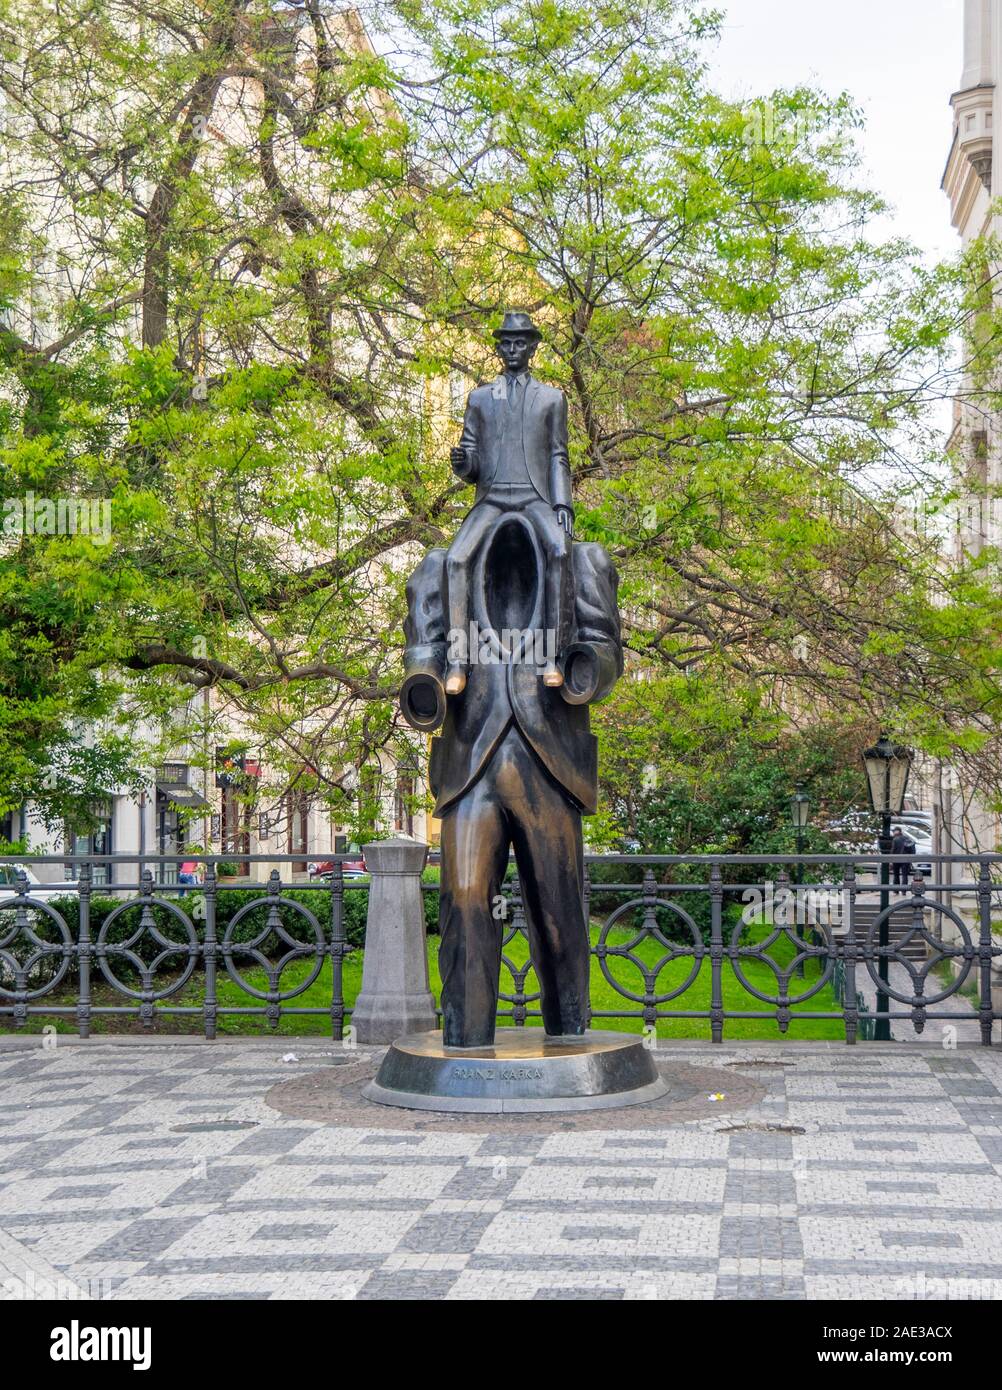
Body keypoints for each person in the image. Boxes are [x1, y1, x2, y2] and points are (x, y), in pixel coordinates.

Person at [444, 310, 573, 694]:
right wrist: (464, 463)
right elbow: (471, 460)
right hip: (493, 499)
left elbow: (557, 456)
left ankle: (555, 658)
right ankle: (457, 662)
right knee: (455, 559)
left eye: (520, 343)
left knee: (561, 552)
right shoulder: (480, 399)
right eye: (506, 343)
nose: (513, 349)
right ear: (498, 348)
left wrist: (562, 505)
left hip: (535, 498)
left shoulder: (552, 399)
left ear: (532, 348)